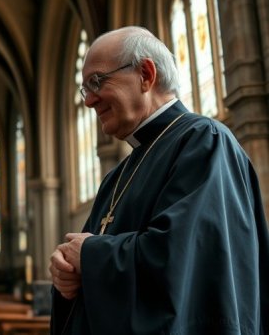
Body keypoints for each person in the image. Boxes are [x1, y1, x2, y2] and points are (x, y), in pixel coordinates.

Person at [49, 26, 269, 334]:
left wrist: (91, 257)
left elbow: (185, 261)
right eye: (84, 90)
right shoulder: (117, 175)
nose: (89, 101)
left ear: (146, 75)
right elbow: (83, 259)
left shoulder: (203, 141)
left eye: (96, 82)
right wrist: (66, 274)